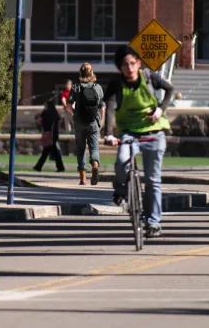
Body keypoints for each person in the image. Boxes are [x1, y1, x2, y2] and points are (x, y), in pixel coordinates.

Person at [103, 45, 174, 239]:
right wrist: (109, 134)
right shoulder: (116, 85)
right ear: (120, 68)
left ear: (139, 63)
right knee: (121, 162)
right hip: (129, 133)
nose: (129, 68)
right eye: (124, 65)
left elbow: (169, 90)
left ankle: (153, 223)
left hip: (154, 133)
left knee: (153, 180)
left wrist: (160, 109)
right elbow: (109, 108)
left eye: (132, 63)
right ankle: (120, 188)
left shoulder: (150, 78)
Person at [65, 63, 105, 186]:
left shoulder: (76, 86)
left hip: (79, 122)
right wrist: (100, 122)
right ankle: (95, 165)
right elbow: (102, 107)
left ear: (80, 74)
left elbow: (68, 105)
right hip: (93, 122)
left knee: (81, 149)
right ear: (92, 73)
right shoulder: (97, 87)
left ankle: (83, 178)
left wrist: (74, 113)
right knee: (94, 147)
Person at [33, 99, 65, 172]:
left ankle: (38, 166)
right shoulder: (55, 114)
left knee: (47, 152)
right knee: (50, 152)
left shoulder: (46, 113)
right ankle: (39, 166)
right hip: (53, 135)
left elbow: (40, 121)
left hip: (49, 135)